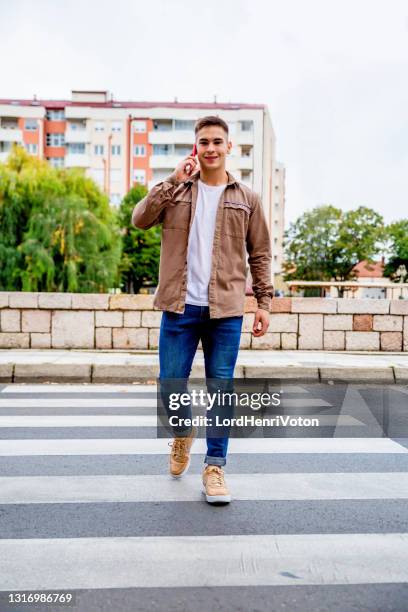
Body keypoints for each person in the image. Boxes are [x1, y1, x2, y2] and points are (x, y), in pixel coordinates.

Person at [132, 115, 273, 504]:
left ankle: (215, 468)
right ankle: (182, 434)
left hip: (225, 310)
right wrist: (173, 179)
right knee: (171, 383)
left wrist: (264, 302)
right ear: (196, 148)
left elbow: (260, 253)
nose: (210, 148)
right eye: (204, 142)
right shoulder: (176, 191)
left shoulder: (248, 198)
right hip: (179, 307)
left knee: (221, 388)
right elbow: (140, 219)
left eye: (217, 141)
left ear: (229, 147)